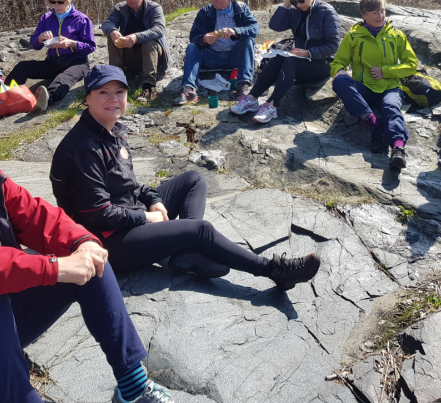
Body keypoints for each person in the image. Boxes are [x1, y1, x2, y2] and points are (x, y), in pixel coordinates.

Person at [0, 91, 176, 403]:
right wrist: (52, 268)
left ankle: (133, 386)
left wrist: (82, 243)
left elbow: (42, 217)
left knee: (91, 261)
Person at [50, 65, 320, 289]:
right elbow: (98, 214)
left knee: (193, 179)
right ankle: (273, 271)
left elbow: (128, 184)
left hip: (125, 215)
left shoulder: (111, 130)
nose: (113, 99)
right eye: (103, 92)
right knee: (200, 229)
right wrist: (148, 217)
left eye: (119, 92)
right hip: (106, 242)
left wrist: (154, 201)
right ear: (87, 98)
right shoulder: (82, 148)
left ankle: (188, 251)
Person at [229, 0, 341, 123]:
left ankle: (272, 105)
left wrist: (308, 53)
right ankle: (252, 99)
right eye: (294, 1)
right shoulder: (294, 10)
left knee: (290, 61)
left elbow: (333, 46)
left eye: (301, 0)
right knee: (278, 58)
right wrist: (286, 6)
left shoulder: (326, 12)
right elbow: (275, 26)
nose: (299, 5)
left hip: (322, 63)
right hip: (300, 59)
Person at [0, 0, 95, 113]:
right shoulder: (46, 18)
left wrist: (72, 43)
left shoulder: (81, 19)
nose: (56, 5)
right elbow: (34, 44)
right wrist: (40, 38)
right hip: (52, 63)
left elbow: (90, 46)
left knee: (63, 79)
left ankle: (47, 99)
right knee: (23, 67)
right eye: (52, 1)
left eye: (60, 2)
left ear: (69, 0)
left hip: (76, 63)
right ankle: (2, 96)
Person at [330, 0, 418, 171]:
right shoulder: (354, 36)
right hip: (365, 89)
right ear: (364, 15)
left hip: (390, 87)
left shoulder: (396, 35)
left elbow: (411, 65)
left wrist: (385, 71)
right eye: (375, 13)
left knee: (391, 108)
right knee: (339, 82)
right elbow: (337, 62)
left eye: (383, 11)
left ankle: (398, 149)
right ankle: (376, 127)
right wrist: (339, 71)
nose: (381, 16)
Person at [175, 0, 258, 105]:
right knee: (192, 47)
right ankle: (188, 89)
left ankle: (243, 85)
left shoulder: (241, 9)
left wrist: (236, 31)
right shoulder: (205, 12)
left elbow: (254, 29)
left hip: (235, 57)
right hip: (212, 57)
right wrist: (203, 39)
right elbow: (194, 36)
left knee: (248, 40)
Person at [102, 0, 173, 103]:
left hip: (153, 56)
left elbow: (159, 29)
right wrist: (113, 31)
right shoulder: (120, 8)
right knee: (112, 37)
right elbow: (107, 23)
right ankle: (116, 79)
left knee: (149, 42)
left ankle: (148, 87)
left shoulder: (154, 8)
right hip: (131, 56)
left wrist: (136, 37)